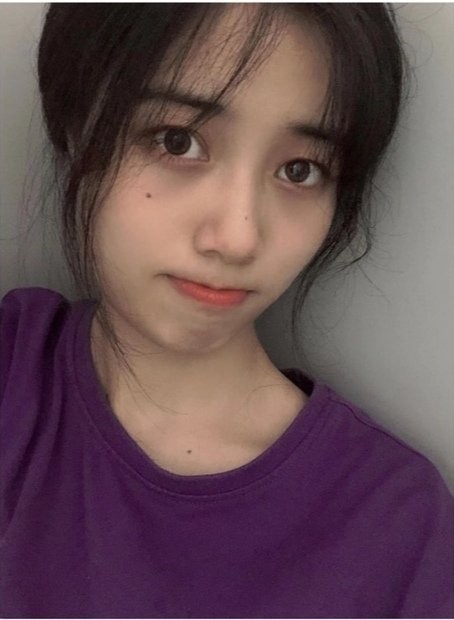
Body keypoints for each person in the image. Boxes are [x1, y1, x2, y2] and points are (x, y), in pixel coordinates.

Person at [1, 3, 453, 618]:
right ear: (77, 128)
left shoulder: (396, 520)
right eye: (178, 141)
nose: (238, 238)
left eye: (300, 170)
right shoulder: (14, 377)